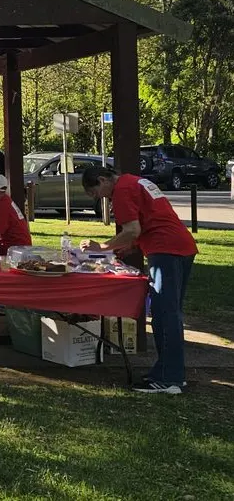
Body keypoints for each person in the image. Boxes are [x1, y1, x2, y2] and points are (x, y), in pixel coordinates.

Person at [81, 167, 198, 394]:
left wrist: (102, 247)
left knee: (165, 315)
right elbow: (149, 221)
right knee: (171, 314)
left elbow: (132, 230)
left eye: (97, 193)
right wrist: (130, 246)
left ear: (103, 180)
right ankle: (170, 372)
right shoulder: (135, 182)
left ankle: (168, 378)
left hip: (165, 249)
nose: (102, 198)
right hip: (181, 246)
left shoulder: (122, 190)